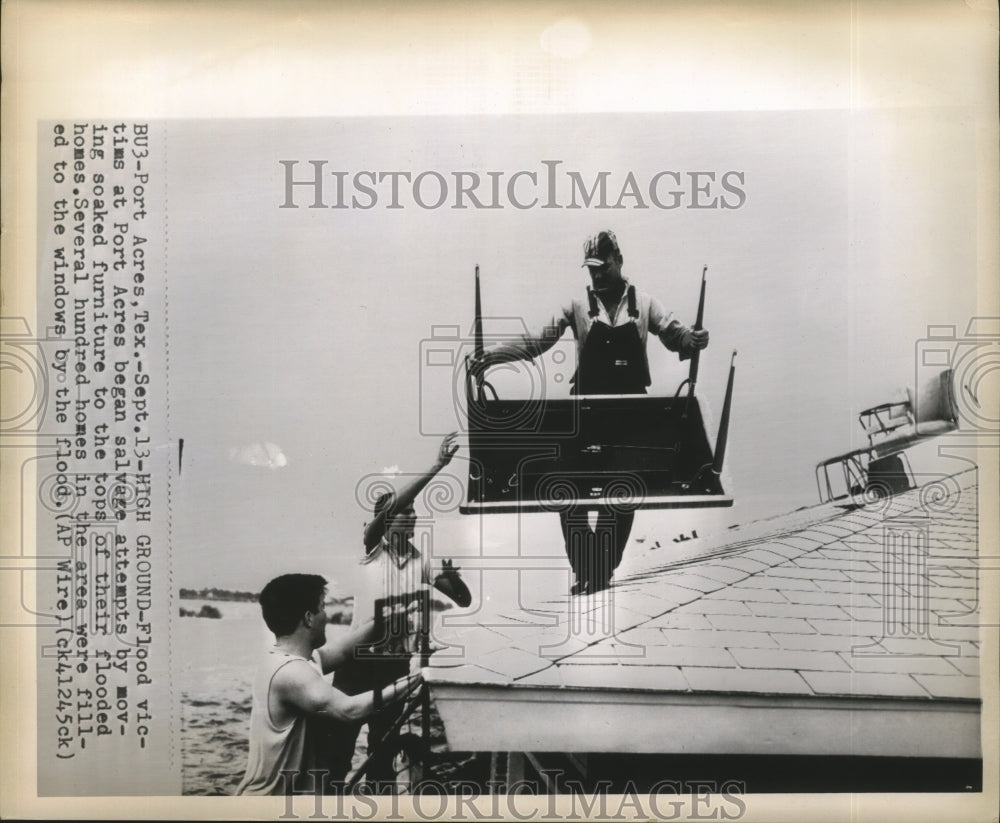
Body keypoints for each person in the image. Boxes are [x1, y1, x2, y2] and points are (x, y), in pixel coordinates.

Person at [470, 230, 709, 595]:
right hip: (587, 415)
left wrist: (693, 340)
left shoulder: (644, 304)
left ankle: (600, 572)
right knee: (569, 492)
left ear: (619, 261)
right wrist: (495, 355)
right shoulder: (577, 306)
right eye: (591, 269)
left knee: (625, 493)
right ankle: (586, 571)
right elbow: (538, 339)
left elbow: (675, 334)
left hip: (630, 417)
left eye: (603, 266)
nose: (597, 275)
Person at [328, 432, 470, 792]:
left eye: (414, 513)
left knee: (383, 753)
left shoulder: (422, 561)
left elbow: (464, 599)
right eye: (403, 512)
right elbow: (393, 508)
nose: (410, 517)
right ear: (385, 522)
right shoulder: (371, 549)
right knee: (338, 750)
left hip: (393, 664)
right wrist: (438, 466)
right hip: (356, 662)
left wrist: (453, 578)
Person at [235, 573, 420, 796]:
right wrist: (417, 677)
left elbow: (342, 650)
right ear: (308, 618)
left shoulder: (290, 660)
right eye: (322, 608)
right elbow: (350, 710)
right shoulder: (290, 672)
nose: (326, 615)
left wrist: (388, 619)